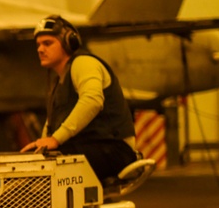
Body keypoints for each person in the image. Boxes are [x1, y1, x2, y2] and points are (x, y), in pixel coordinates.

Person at [21, 15, 138, 181]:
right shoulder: (58, 82)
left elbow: (92, 101)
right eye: (38, 44)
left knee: (49, 166)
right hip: (90, 147)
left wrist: (55, 139)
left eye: (47, 43)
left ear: (69, 43)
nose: (40, 49)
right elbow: (51, 123)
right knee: (32, 162)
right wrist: (40, 146)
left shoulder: (84, 63)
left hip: (115, 150)